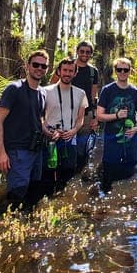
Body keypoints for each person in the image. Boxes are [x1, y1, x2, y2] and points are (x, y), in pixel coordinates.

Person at [0, 50, 50, 209]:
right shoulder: (14, 89)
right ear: (27, 66)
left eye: (43, 66)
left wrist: (48, 131)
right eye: (36, 64)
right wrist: (1, 153)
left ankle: (26, 226)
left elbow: (39, 119)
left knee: (33, 191)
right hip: (17, 151)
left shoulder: (43, 93)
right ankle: (8, 226)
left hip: (36, 150)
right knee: (16, 194)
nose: (39, 68)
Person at [96, 57, 137, 191]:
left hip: (131, 138)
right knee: (109, 172)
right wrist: (116, 115)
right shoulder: (107, 90)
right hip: (112, 138)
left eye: (126, 70)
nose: (122, 72)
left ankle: (129, 198)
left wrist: (136, 127)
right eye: (119, 69)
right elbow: (99, 115)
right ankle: (106, 202)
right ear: (115, 71)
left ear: (130, 71)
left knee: (133, 171)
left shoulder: (135, 92)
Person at [42, 56, 88, 188]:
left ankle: (63, 200)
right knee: (48, 173)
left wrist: (73, 131)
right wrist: (48, 131)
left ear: (75, 73)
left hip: (70, 138)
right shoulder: (45, 91)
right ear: (59, 71)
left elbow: (81, 118)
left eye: (70, 71)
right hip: (51, 137)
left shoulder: (80, 93)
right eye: (65, 70)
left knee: (68, 173)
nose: (67, 73)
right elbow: (39, 116)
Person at [67, 40, 101, 168]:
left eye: (88, 52)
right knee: (67, 146)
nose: (84, 54)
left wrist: (95, 116)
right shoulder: (68, 67)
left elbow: (93, 95)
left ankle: (81, 172)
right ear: (77, 52)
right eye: (82, 51)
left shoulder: (93, 71)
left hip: (86, 114)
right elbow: (53, 86)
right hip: (67, 113)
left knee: (83, 147)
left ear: (91, 54)